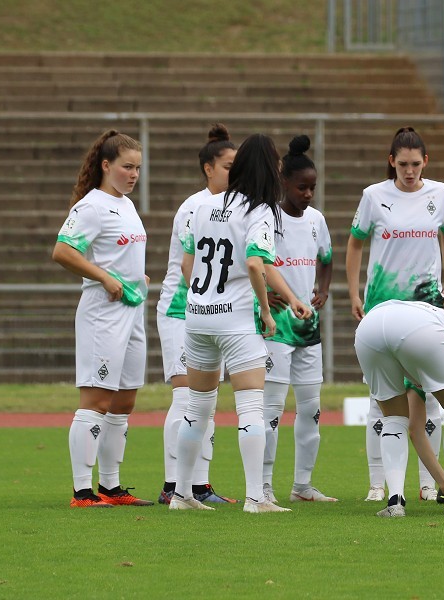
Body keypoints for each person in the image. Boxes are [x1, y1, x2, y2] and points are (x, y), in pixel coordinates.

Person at [169, 133, 311, 513]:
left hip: (197, 318)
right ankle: (255, 498)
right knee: (250, 407)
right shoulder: (260, 210)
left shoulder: (202, 206)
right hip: (234, 321)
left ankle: (181, 495)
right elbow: (254, 263)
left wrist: (292, 297)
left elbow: (187, 263)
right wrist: (266, 312)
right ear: (269, 168)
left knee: (197, 409)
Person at [346, 127, 444, 502]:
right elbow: (355, 244)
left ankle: (429, 482)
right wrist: (355, 292)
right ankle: (378, 484)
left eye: (415, 164)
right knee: (380, 400)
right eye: (402, 164)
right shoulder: (373, 196)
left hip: (426, 306)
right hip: (382, 308)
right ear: (391, 161)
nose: (409, 171)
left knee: (433, 398)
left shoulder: (440, 194)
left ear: (426, 162)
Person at [52, 130, 153, 508]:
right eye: (127, 167)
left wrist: (135, 278)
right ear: (106, 165)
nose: (133, 174)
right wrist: (105, 277)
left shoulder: (126, 205)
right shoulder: (92, 205)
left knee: (124, 402)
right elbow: (63, 251)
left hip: (132, 310)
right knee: (95, 399)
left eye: (138, 168)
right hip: (102, 312)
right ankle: (82, 492)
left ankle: (111, 488)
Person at [156, 124, 237, 505]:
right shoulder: (194, 206)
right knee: (186, 395)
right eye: (227, 166)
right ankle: (174, 485)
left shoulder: (231, 207)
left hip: (208, 312)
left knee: (205, 399)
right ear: (208, 168)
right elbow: (192, 268)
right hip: (180, 310)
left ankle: (200, 485)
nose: (232, 173)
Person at [354, 300, 444, 517]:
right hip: (419, 328)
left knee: (393, 418)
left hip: (369, 326)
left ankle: (395, 503)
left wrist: (442, 481)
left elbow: (415, 429)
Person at [261, 135, 336, 503]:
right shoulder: (267, 216)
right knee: (271, 411)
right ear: (284, 184)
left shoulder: (317, 220)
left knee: (311, 408)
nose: (308, 194)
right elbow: (255, 261)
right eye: (302, 187)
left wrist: (323, 288)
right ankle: (263, 487)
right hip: (276, 326)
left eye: (313, 188)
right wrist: (264, 289)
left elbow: (326, 256)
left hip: (308, 327)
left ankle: (302, 486)